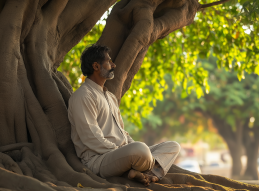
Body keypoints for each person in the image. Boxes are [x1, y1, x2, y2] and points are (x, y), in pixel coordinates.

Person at [68, 44, 180, 186]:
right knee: (140, 151)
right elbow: (91, 137)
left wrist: (129, 147)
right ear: (96, 66)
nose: (113, 65)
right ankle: (145, 169)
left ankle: (146, 175)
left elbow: (123, 133)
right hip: (99, 159)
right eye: (109, 62)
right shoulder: (83, 96)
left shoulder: (110, 96)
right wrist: (123, 151)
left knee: (172, 146)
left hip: (123, 152)